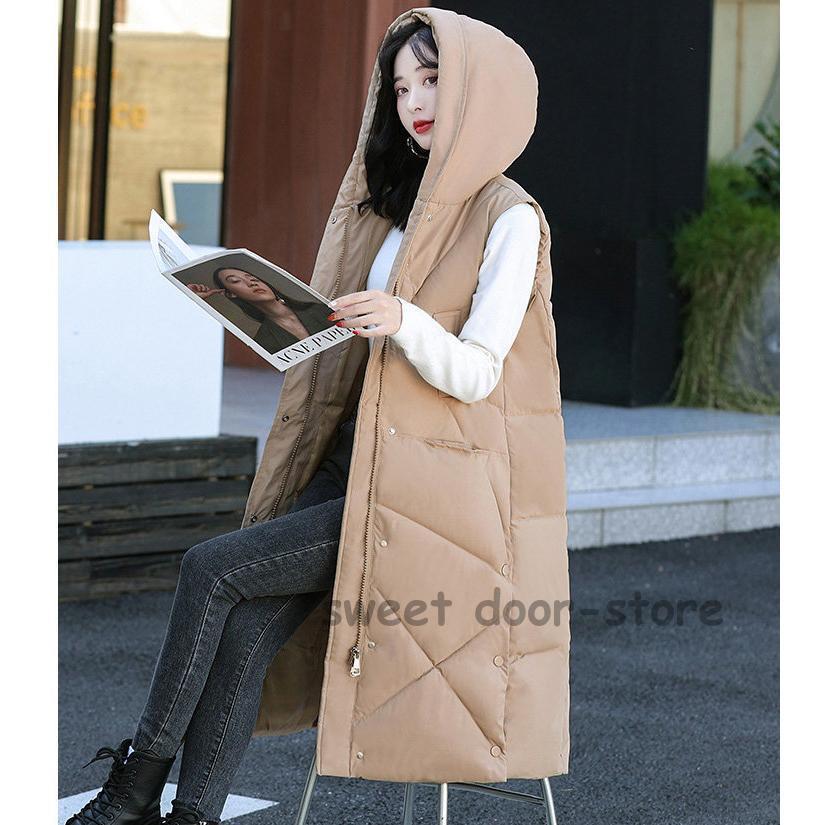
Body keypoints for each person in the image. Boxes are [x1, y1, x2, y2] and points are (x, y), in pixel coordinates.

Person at [65, 9, 569, 825]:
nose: (414, 101)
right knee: (245, 630)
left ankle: (133, 790)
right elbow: (356, 343)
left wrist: (402, 320)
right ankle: (191, 814)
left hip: (420, 490)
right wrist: (276, 320)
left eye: (432, 79)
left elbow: (479, 371)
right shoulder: (397, 206)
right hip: (348, 457)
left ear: (479, 90)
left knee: (210, 568)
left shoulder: (508, 216)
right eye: (399, 87)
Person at [186, 268, 333, 355]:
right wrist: (189, 298)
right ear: (231, 294)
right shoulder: (263, 340)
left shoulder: (319, 310)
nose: (251, 283)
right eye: (235, 281)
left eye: (253, 278)